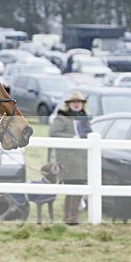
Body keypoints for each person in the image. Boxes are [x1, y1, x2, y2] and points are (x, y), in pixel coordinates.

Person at [48, 91, 92, 225]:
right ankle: (71, 218)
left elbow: (89, 134)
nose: (77, 104)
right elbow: (54, 134)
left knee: (78, 188)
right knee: (72, 188)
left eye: (79, 102)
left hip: (82, 159)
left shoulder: (84, 119)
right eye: (74, 102)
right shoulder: (61, 118)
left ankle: (70, 217)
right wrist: (72, 138)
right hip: (68, 159)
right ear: (69, 104)